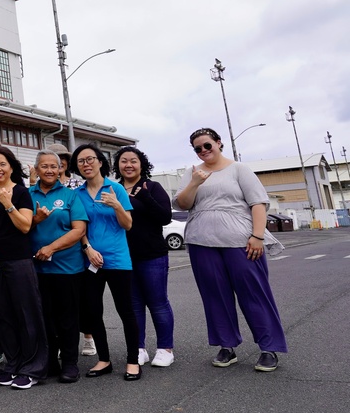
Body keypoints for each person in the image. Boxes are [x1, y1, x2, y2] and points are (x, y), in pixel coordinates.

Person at [173, 127, 286, 372]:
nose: (203, 151)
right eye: (197, 148)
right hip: (201, 241)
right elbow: (183, 203)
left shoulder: (239, 169)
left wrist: (257, 236)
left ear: (219, 143)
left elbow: (258, 203)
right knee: (214, 295)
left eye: (207, 145)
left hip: (240, 241)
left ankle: (269, 348)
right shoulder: (192, 173)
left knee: (254, 293)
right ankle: (226, 346)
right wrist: (194, 183)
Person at [0, 146, 46, 389]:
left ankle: (32, 368)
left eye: (2, 164)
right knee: (3, 315)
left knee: (27, 314)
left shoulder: (21, 193)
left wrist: (7, 203)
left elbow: (25, 226)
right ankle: (12, 364)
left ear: (11, 167)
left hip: (19, 260)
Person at [73, 143, 140, 381]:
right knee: (92, 311)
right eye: (81, 161)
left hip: (118, 259)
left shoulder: (116, 189)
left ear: (100, 162)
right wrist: (87, 248)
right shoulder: (77, 194)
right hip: (91, 260)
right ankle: (104, 360)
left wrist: (116, 205)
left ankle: (133, 361)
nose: (86, 164)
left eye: (90, 159)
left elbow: (128, 224)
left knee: (126, 310)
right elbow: (78, 226)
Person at [28, 149, 88, 383]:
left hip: (67, 269)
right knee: (44, 318)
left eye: (55, 166)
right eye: (45, 166)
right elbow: (20, 225)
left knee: (68, 318)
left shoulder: (71, 196)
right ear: (36, 169)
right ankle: (49, 361)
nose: (50, 170)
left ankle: (70, 363)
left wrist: (51, 248)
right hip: (36, 269)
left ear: (61, 169)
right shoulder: (26, 195)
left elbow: (79, 230)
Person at [114, 145, 175, 368]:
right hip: (124, 257)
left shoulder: (152, 186)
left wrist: (146, 196)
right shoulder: (114, 188)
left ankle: (165, 348)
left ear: (141, 164)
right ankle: (138, 348)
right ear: (118, 165)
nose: (128, 165)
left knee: (158, 303)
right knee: (134, 305)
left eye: (133, 161)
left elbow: (165, 217)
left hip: (152, 255)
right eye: (123, 161)